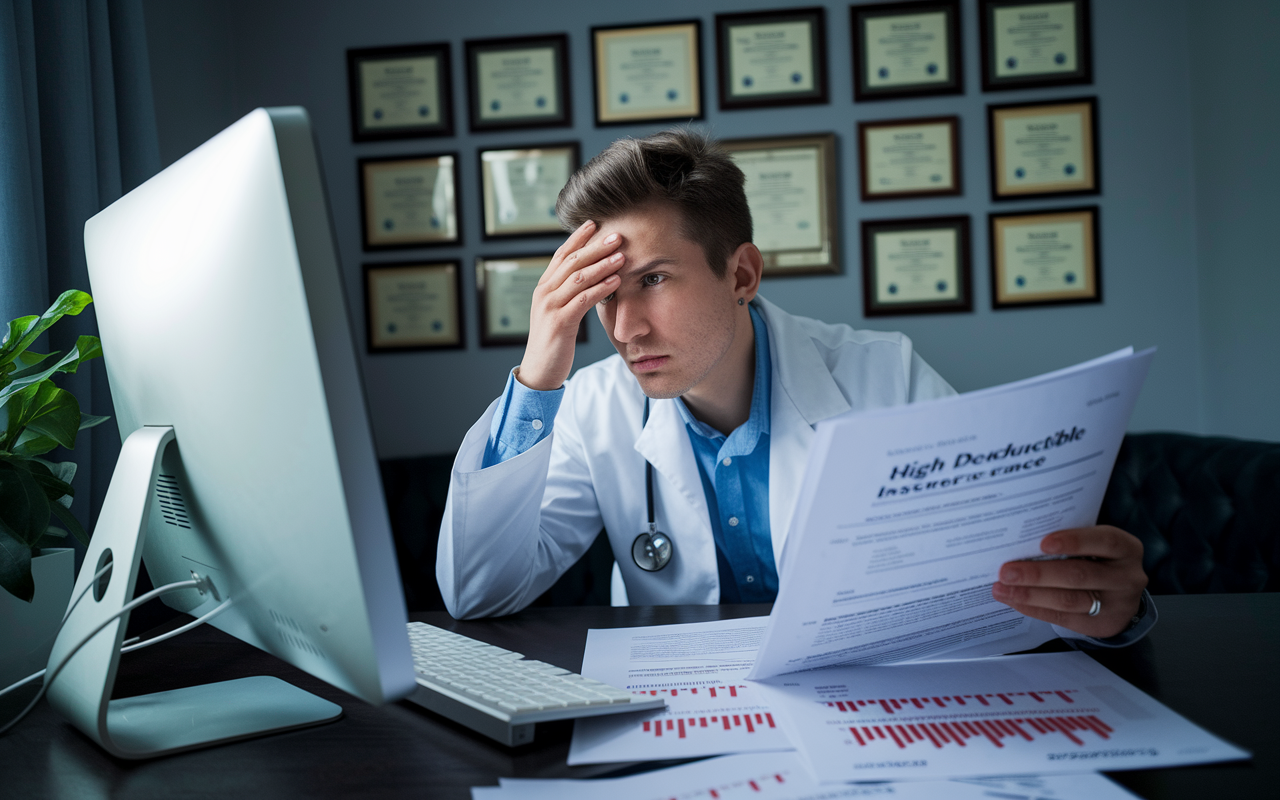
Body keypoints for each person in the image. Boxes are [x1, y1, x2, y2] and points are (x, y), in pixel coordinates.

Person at [437, 129, 1154, 648]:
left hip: (869, 708)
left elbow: (1000, 579)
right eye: (601, 293)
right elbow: (478, 593)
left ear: (742, 275)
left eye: (652, 280)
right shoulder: (590, 407)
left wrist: (1104, 613)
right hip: (686, 715)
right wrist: (537, 375)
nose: (623, 327)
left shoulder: (884, 377)